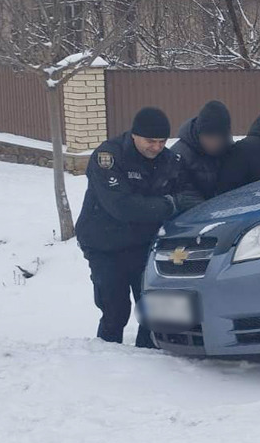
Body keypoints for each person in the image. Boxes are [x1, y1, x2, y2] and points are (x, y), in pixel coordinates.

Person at [76, 107, 197, 347]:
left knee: (155, 311)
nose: (157, 147)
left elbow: (187, 193)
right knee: (115, 311)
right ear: (134, 135)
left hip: (144, 245)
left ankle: (147, 358)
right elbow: (122, 206)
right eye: (150, 141)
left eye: (162, 141)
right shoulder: (109, 157)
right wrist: (169, 204)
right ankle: (106, 359)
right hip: (105, 245)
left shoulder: (169, 161)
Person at [172, 100, 233, 201]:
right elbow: (184, 196)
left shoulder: (232, 152)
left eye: (219, 138)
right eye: (209, 137)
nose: (214, 143)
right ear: (198, 134)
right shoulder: (180, 155)